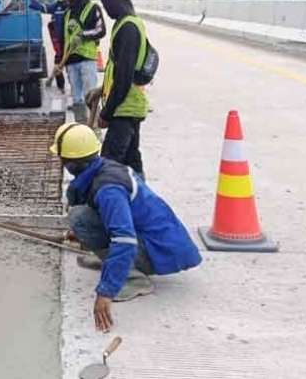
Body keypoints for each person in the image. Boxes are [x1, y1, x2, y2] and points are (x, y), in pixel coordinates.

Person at [50, 123, 201, 333]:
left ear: (71, 163)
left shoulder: (108, 190)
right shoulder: (104, 169)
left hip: (161, 251)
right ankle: (110, 260)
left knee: (80, 217)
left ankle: (133, 279)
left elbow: (125, 240)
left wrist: (107, 292)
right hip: (157, 241)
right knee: (82, 216)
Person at [93, 0, 148, 178]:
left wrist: (106, 113)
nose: (105, 8)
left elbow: (124, 77)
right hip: (128, 106)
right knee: (131, 160)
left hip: (124, 108)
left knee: (109, 164)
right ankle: (142, 202)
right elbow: (118, 70)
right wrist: (101, 89)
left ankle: (107, 207)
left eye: (105, 1)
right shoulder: (125, 24)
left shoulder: (128, 28)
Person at [58, 0, 106, 124]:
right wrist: (59, 60)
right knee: (76, 98)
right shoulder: (67, 13)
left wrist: (83, 35)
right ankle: (81, 126)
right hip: (71, 61)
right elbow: (65, 38)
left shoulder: (93, 8)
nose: (67, 0)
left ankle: (95, 128)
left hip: (87, 59)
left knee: (90, 95)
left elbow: (101, 30)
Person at [29, 0, 68, 92]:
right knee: (58, 63)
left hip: (71, 42)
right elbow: (42, 7)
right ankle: (61, 86)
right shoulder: (56, 6)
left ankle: (77, 94)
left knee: (71, 66)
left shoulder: (73, 8)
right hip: (60, 42)